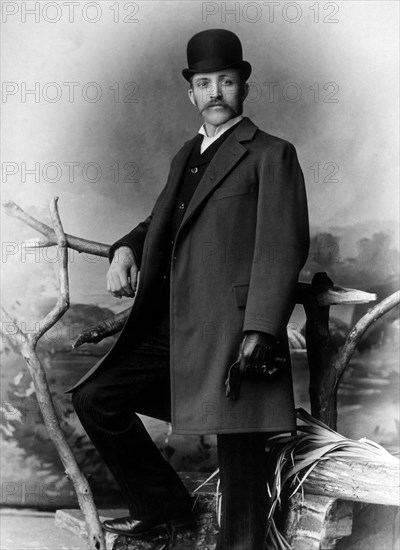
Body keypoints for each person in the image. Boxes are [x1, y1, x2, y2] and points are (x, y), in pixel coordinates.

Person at [69, 29, 310, 550]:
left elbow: (281, 246)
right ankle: (165, 508)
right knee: (95, 398)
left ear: (244, 86)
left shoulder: (271, 153)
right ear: (192, 93)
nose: (216, 92)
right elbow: (162, 220)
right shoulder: (187, 154)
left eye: (226, 81)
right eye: (205, 83)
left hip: (233, 329)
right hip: (174, 326)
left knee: (240, 464)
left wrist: (262, 328)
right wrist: (124, 248)